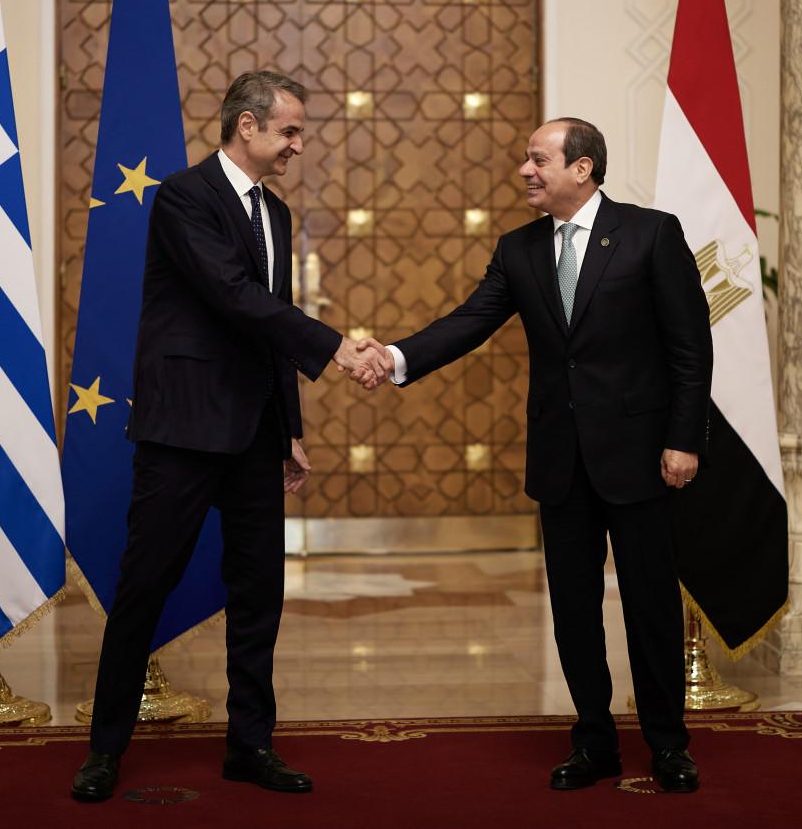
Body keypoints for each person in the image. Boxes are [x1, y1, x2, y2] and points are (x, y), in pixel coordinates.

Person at [357, 117, 712, 793]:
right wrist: (395, 357)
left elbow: (690, 347)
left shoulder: (650, 233)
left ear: (582, 168)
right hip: (560, 459)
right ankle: (595, 742)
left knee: (650, 606)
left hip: (641, 456)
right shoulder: (518, 248)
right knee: (574, 609)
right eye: (526, 159)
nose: (525, 170)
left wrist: (684, 439)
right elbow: (470, 321)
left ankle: (668, 744)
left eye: (538, 159)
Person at [71, 71, 388, 802]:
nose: (298, 146)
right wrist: (337, 347)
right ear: (248, 125)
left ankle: (250, 744)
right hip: (183, 429)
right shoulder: (184, 196)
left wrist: (290, 428)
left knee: (259, 593)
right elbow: (232, 296)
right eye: (289, 131)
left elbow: (268, 324)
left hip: (253, 433)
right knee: (144, 586)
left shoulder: (275, 213)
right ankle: (105, 749)